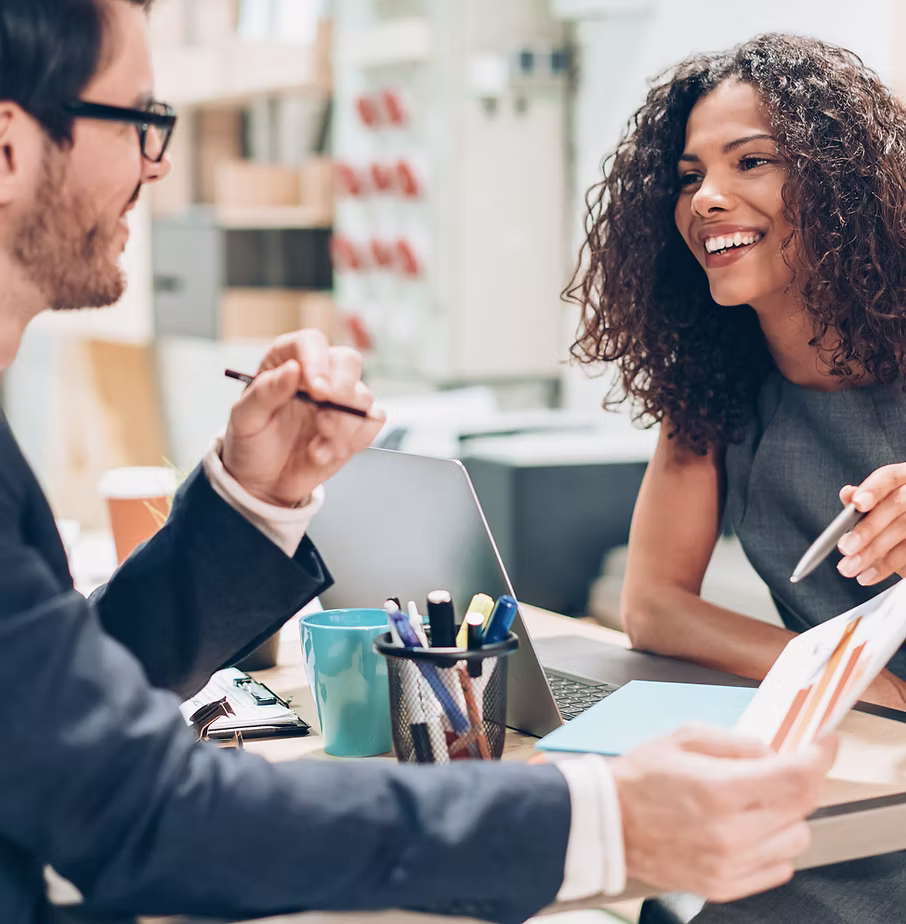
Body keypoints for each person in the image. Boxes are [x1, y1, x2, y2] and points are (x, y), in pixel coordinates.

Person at [0, 4, 837, 923]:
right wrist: (600, 820)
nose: (156, 163)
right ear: (9, 147)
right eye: (141, 122)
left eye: (752, 160)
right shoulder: (714, 383)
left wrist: (250, 500)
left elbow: (58, 705)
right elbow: (144, 809)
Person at [568, 30, 906, 924]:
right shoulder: (715, 376)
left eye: (751, 161)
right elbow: (654, 604)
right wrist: (833, 672)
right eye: (687, 177)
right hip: (832, 770)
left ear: (839, 181)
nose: (708, 199)